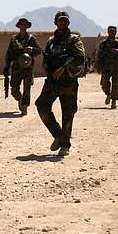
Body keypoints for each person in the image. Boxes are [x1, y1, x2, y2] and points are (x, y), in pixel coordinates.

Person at [34, 11, 87, 157]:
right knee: (41, 105)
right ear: (55, 22)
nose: (63, 23)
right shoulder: (51, 41)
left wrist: (63, 68)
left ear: (68, 23)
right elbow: (47, 56)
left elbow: (79, 57)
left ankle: (65, 145)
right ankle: (58, 134)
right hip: (52, 81)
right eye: (60, 21)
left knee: (68, 113)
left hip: (68, 82)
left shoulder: (74, 40)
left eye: (65, 21)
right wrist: (46, 66)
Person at [3, 18, 41, 115]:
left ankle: (24, 106)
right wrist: (7, 66)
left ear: (27, 26)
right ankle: (20, 99)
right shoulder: (14, 39)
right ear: (19, 26)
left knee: (27, 89)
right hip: (16, 67)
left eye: (25, 25)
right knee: (14, 89)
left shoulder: (31, 39)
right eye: (21, 24)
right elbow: (9, 53)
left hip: (28, 68)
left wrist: (31, 49)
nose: (23, 26)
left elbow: (39, 50)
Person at [94, 26, 118, 109]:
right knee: (104, 84)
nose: (112, 33)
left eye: (114, 31)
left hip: (116, 67)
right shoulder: (103, 43)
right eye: (111, 31)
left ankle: (114, 101)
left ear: (116, 32)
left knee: (116, 84)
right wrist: (98, 66)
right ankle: (108, 94)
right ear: (108, 32)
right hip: (106, 67)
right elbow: (99, 55)